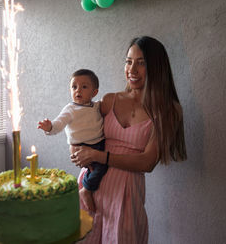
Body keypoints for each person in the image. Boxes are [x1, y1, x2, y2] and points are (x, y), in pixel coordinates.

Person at [70, 36, 187, 244]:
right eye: (128, 61)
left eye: (141, 63)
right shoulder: (109, 100)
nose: (132, 70)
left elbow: (147, 162)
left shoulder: (168, 111)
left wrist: (100, 155)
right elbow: (79, 122)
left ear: (157, 67)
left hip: (126, 196)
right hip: (90, 187)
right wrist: (75, 148)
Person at [38, 69, 108, 212]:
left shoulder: (96, 106)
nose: (78, 91)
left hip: (99, 144)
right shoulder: (70, 109)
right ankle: (86, 190)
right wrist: (49, 127)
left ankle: (88, 185)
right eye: (74, 87)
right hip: (82, 146)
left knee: (101, 166)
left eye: (84, 87)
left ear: (94, 92)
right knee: (101, 166)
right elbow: (59, 123)